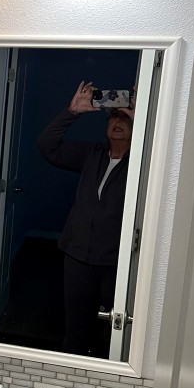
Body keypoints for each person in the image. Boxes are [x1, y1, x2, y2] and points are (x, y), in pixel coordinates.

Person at [37, 81, 134, 358]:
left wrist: (143, 120)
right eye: (113, 115)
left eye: (125, 117)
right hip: (78, 256)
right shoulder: (92, 154)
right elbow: (47, 146)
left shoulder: (143, 162)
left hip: (116, 262)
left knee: (112, 331)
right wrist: (72, 112)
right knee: (76, 328)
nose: (118, 121)